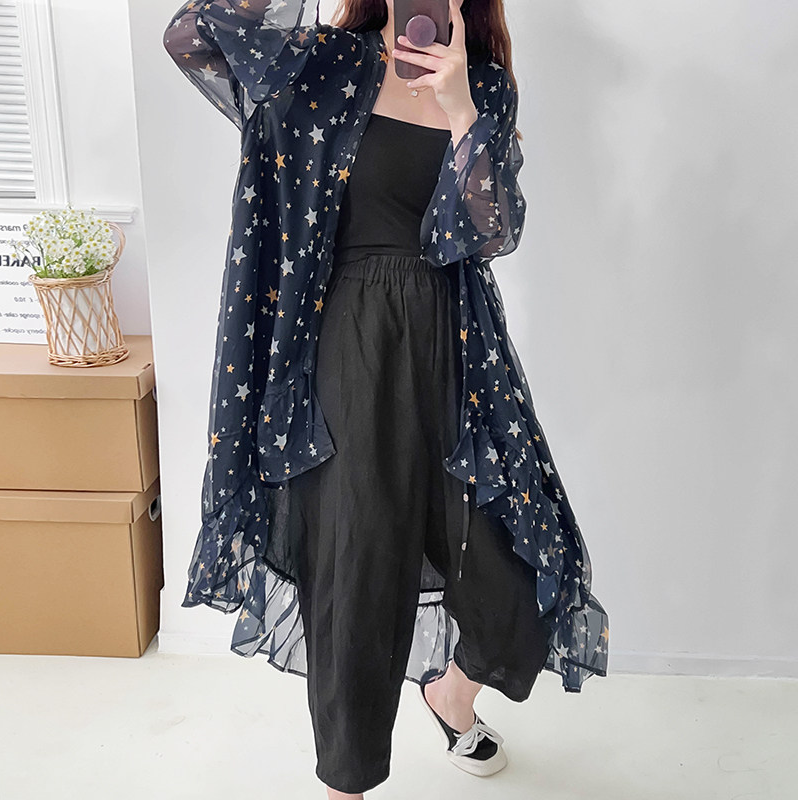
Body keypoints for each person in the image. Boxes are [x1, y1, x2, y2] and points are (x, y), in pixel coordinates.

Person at [163, 1, 610, 798]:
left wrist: (461, 109)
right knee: (359, 583)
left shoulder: (485, 85)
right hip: (349, 350)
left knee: (524, 576)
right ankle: (347, 785)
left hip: (456, 356)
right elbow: (191, 37)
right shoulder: (321, 63)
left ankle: (450, 695)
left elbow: (493, 231)